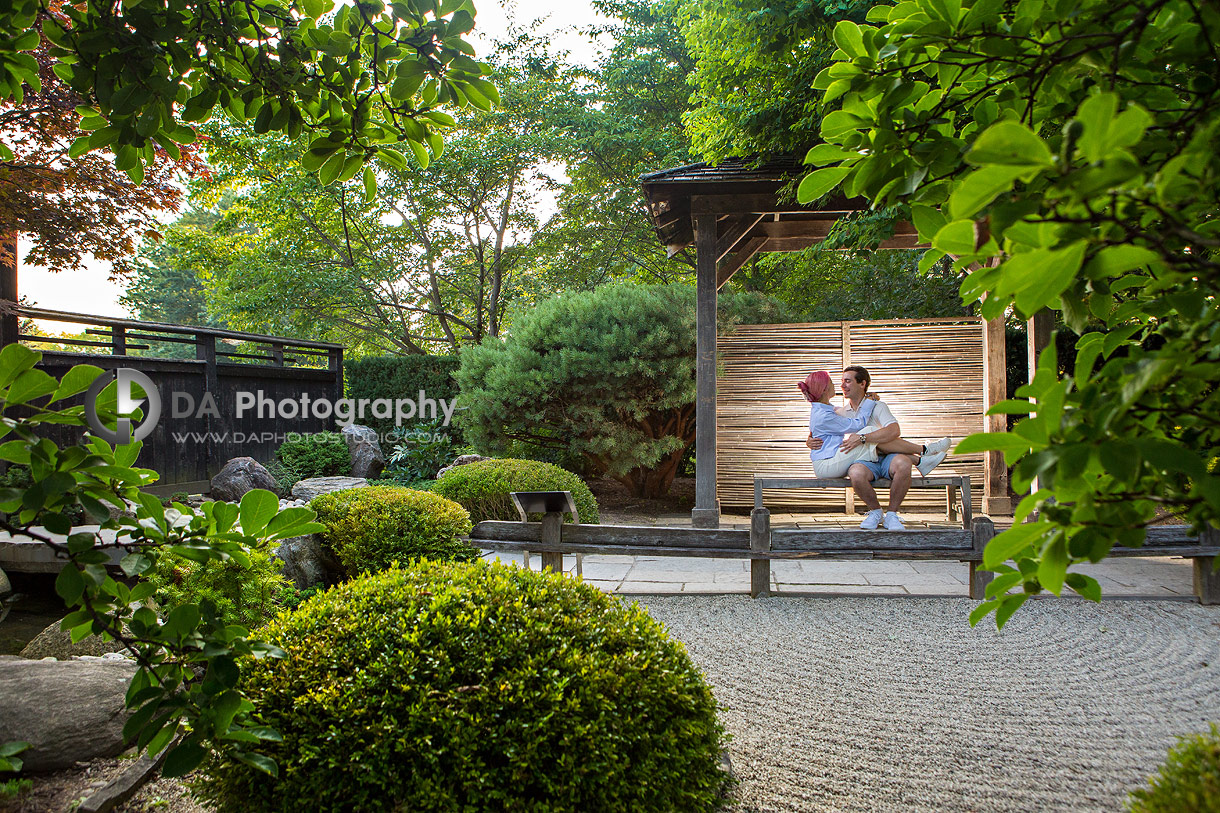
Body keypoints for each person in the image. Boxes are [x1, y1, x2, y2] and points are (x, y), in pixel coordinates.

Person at [804, 366, 951, 531]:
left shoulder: (877, 406)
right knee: (858, 464)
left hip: (888, 457)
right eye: (840, 381)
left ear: (862, 383)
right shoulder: (840, 412)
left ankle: (892, 515)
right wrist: (809, 441)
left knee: (897, 458)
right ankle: (922, 455)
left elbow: (894, 431)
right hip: (863, 461)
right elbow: (820, 426)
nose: (842, 386)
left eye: (847, 381)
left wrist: (864, 436)